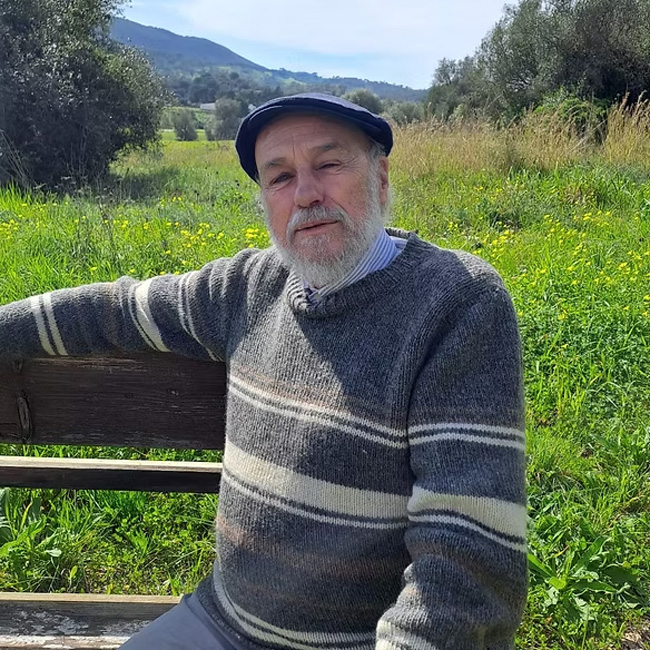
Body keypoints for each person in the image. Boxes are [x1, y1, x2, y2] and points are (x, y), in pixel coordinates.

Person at [0, 93, 527, 649]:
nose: (306, 194)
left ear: (380, 177)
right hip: (219, 621)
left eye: (329, 164)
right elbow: (118, 310)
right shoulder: (247, 287)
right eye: (280, 177)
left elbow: (465, 563)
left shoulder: (457, 303)